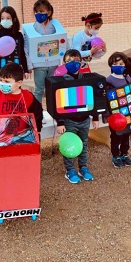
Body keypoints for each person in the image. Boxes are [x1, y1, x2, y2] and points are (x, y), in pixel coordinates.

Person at [55, 50, 100, 183]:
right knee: (69, 145)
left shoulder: (86, 79)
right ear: (64, 63)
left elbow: (93, 99)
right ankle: (69, 170)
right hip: (69, 121)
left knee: (84, 144)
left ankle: (83, 167)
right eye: (69, 61)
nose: (73, 64)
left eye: (76, 61)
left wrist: (95, 118)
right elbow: (59, 103)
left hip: (84, 120)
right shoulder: (62, 81)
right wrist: (60, 122)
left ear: (81, 62)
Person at [0, 62, 43, 135]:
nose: (2, 83)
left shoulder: (28, 97)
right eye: (1, 80)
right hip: (0, 138)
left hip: (22, 138)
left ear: (19, 83)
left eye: (6, 81)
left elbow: (38, 112)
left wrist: (37, 129)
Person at [25, 0, 59, 104]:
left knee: (52, 89)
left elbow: (62, 40)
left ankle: (52, 112)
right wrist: (29, 65)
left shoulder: (55, 26)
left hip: (53, 64)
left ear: (48, 12)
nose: (38, 14)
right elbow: (26, 47)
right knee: (39, 90)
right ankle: (38, 113)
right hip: (39, 65)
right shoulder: (32, 28)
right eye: (36, 12)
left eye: (41, 11)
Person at [106, 52, 131, 168]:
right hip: (116, 116)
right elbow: (107, 100)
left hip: (128, 113)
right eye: (115, 63)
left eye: (121, 63)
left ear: (125, 64)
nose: (118, 65)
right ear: (111, 65)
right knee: (116, 136)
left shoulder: (127, 77)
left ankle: (124, 154)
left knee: (126, 135)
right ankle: (115, 156)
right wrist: (108, 115)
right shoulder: (109, 80)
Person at [0, 6, 30, 89]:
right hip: (2, 67)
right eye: (2, 18)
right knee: (3, 91)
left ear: (14, 19)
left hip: (15, 66)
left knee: (15, 90)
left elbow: (22, 53)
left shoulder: (18, 35)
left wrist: (25, 70)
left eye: (8, 18)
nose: (5, 20)